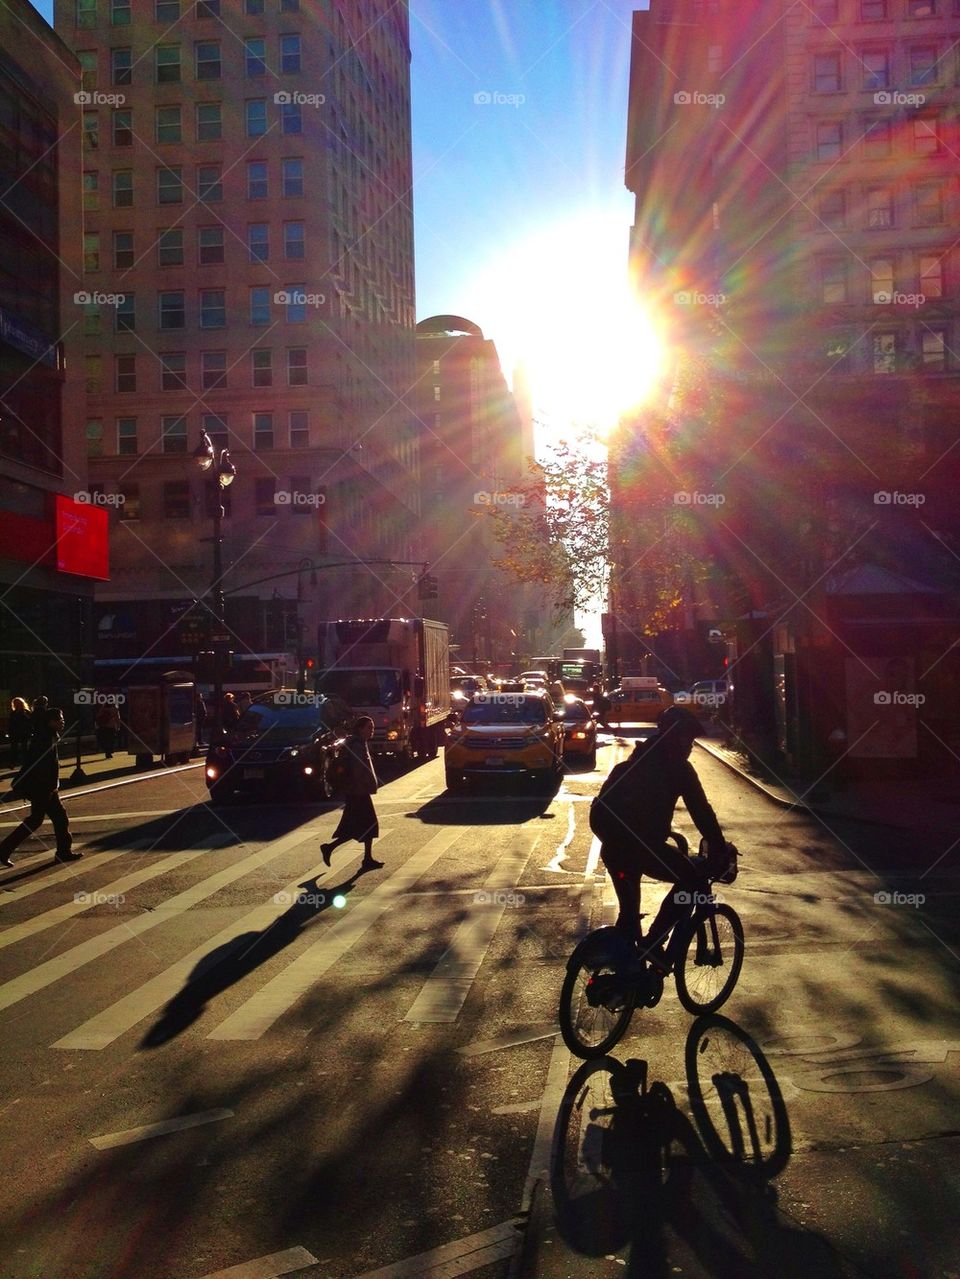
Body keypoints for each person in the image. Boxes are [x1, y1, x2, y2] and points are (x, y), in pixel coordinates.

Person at [592, 705, 733, 968]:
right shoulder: (679, 769)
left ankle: (625, 978)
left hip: (613, 849)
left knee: (629, 917)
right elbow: (702, 813)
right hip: (644, 850)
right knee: (691, 879)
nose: (690, 747)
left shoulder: (639, 756)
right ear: (677, 737)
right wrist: (719, 845)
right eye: (688, 740)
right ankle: (654, 943)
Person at [1, 707, 79, 867]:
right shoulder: (44, 738)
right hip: (43, 788)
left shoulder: (47, 735)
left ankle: (64, 852)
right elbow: (41, 765)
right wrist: (49, 788)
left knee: (58, 818)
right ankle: (3, 850)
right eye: (59, 719)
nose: (62, 722)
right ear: (50, 722)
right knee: (38, 820)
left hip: (47, 787)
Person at [320, 715, 383, 871]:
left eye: (373, 728)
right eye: (369, 727)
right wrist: (362, 785)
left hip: (357, 791)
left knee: (361, 826)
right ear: (360, 728)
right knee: (366, 825)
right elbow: (357, 770)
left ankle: (365, 858)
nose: (371, 731)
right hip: (358, 792)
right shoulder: (357, 745)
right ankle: (331, 849)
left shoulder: (358, 743)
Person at [7, 697, 31, 767]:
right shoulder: (13, 713)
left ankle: (25, 762)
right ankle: (13, 762)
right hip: (15, 733)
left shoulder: (26, 712)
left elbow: (30, 721)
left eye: (18, 703)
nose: (17, 705)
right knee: (14, 748)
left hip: (24, 732)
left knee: (24, 747)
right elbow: (11, 723)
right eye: (15, 704)